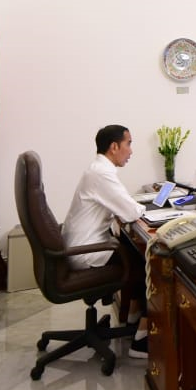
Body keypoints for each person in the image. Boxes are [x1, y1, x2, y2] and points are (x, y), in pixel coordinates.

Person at [62, 124, 150, 358]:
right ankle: (142, 339)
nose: (131, 151)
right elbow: (131, 212)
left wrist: (135, 206)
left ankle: (133, 316)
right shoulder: (101, 173)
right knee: (152, 266)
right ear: (114, 147)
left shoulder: (99, 170)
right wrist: (145, 207)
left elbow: (123, 207)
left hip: (83, 246)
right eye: (128, 144)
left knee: (135, 254)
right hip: (87, 252)